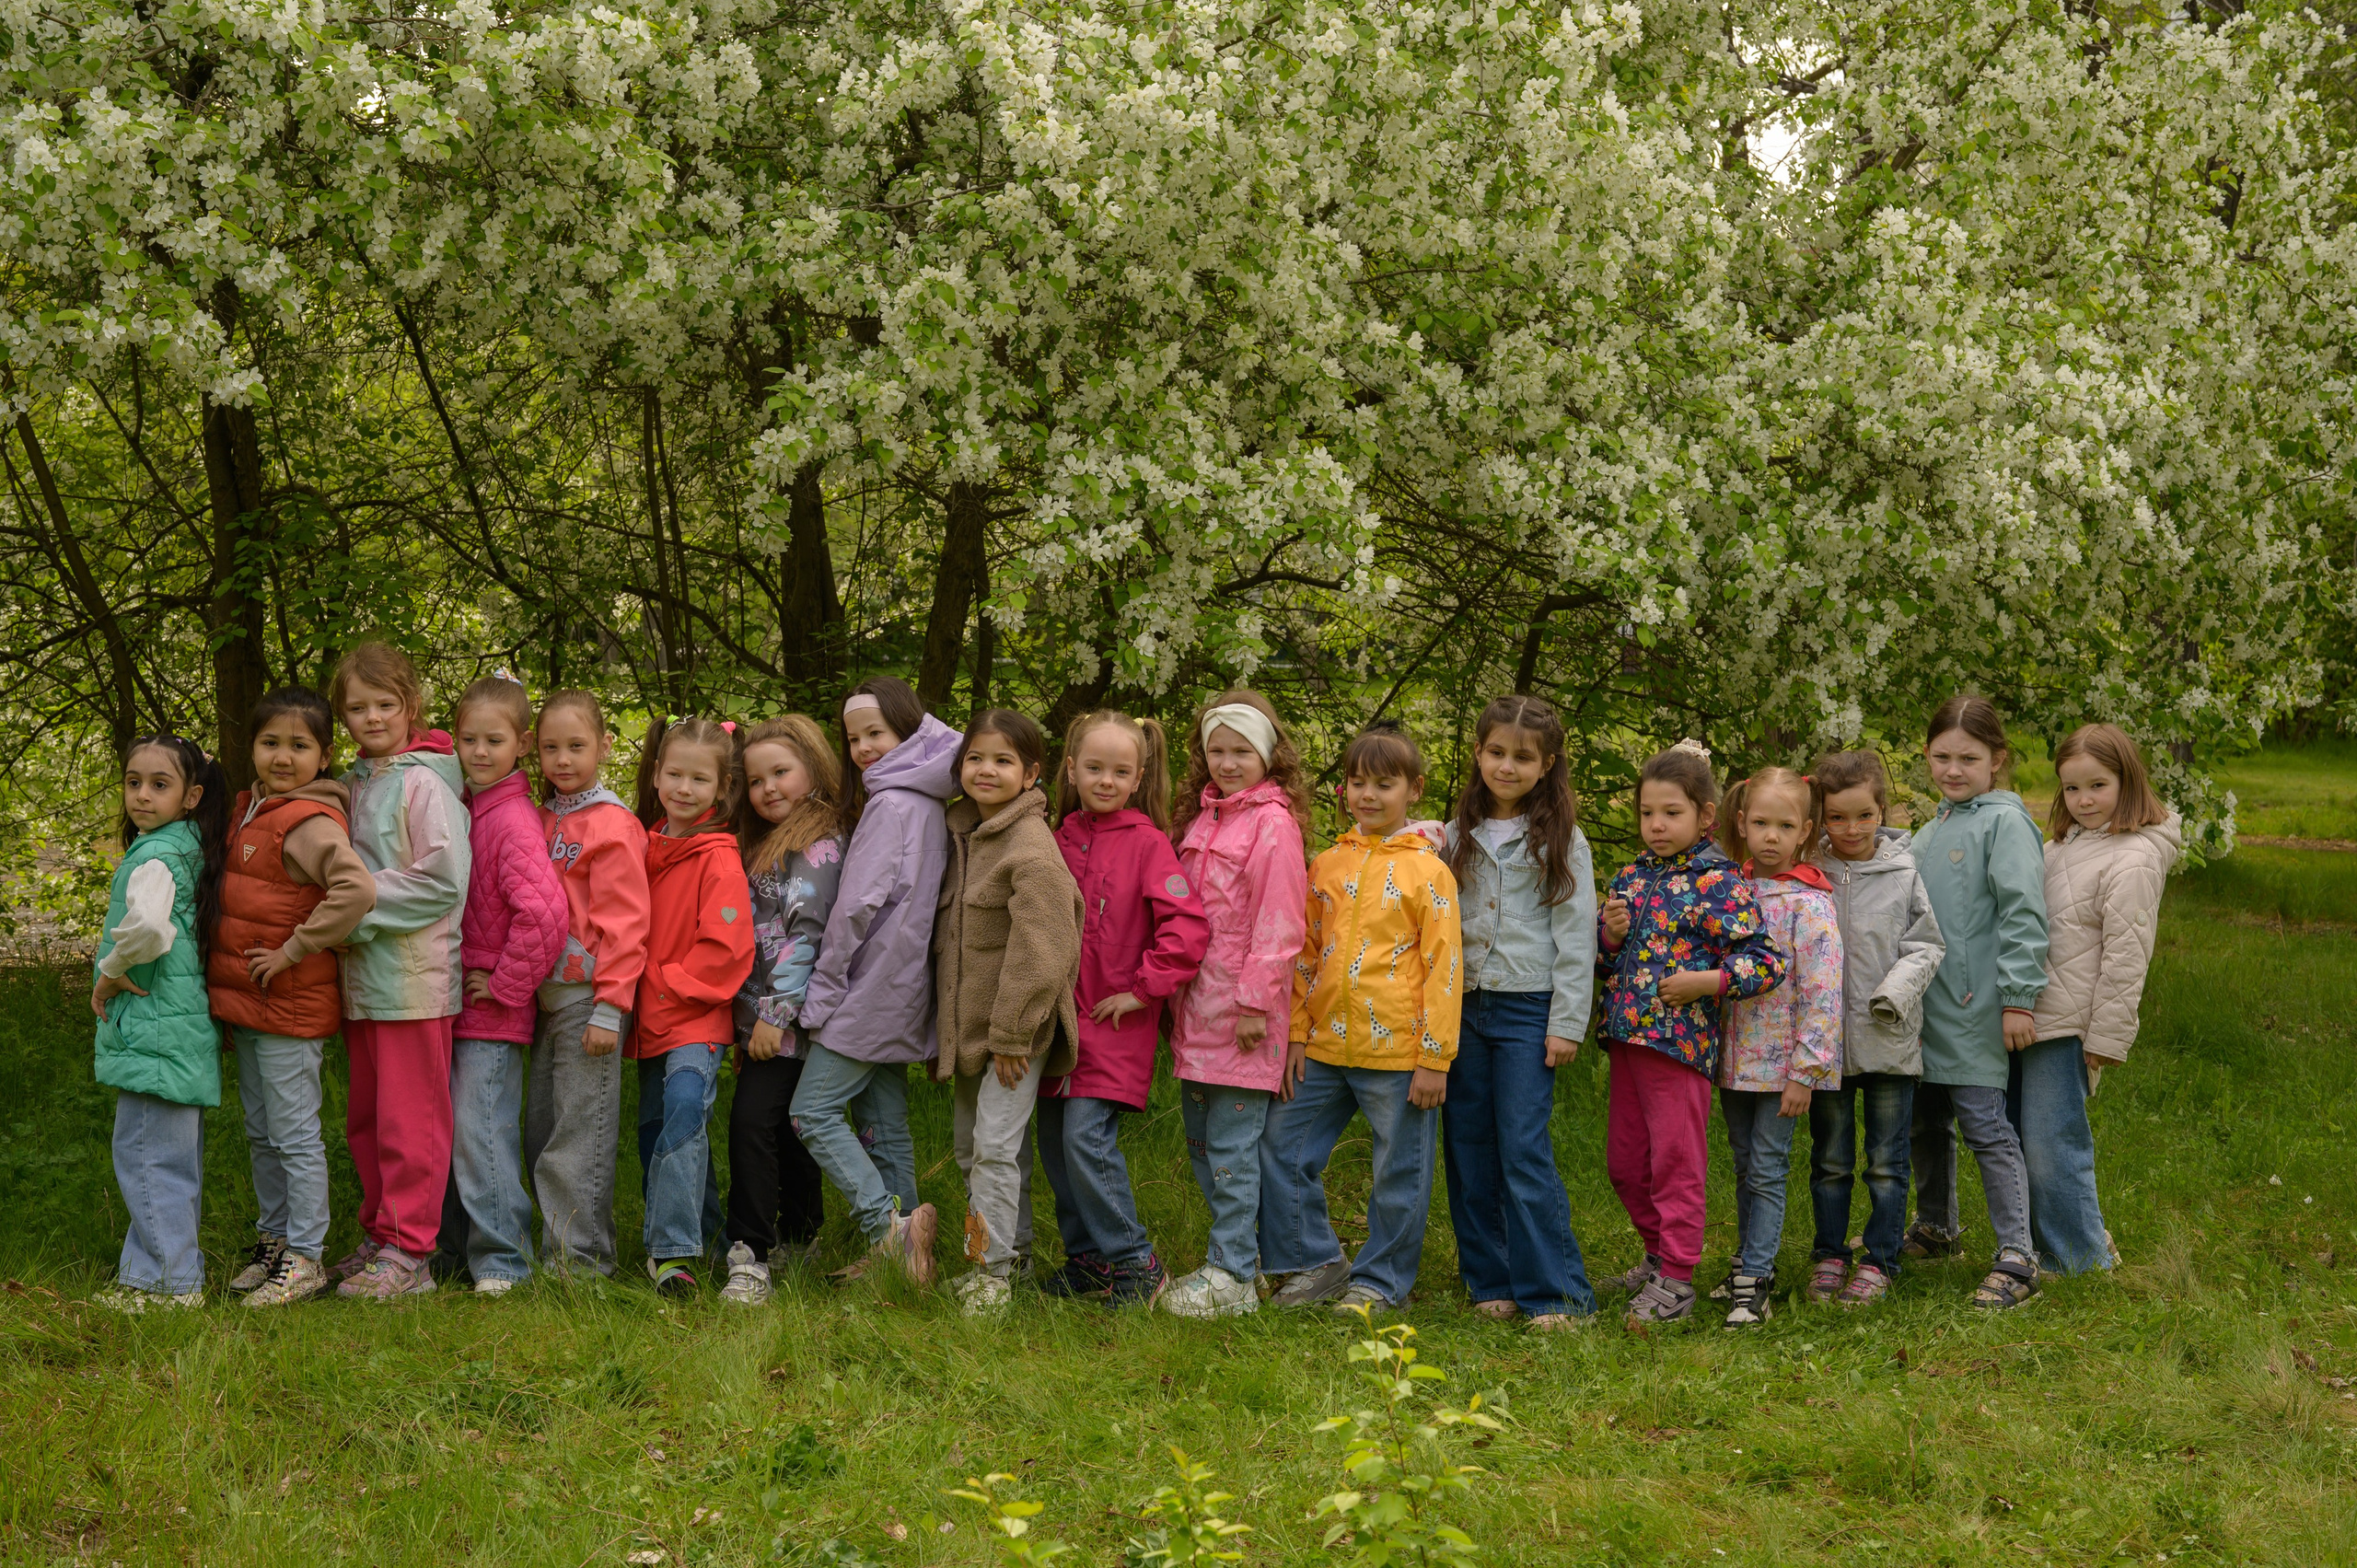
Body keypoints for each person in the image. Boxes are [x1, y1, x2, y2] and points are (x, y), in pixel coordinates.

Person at [1260, 723, 1463, 1316]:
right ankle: (1314, 1262)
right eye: (1356, 782)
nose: (1368, 795)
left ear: (1414, 789)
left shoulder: (1431, 873)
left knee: (1398, 1172)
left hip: (1400, 1057)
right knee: (1282, 1143)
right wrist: (1296, 1032)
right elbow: (1304, 953)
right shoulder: (1326, 865)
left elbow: (1444, 967)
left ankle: (1381, 1282)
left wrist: (1434, 1056)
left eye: (1384, 783)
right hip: (1323, 1046)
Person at [1594, 740, 1785, 1326]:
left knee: (1677, 1163)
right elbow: (1606, 965)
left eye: (1671, 813)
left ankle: (1677, 1278)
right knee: (1626, 1164)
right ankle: (1656, 1257)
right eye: (1648, 813)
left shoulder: (1718, 881)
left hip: (1679, 1049)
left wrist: (1707, 981)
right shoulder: (1631, 875)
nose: (1656, 825)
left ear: (1704, 816)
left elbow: (1767, 962)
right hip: (1627, 1042)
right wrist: (1608, 937)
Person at [793, 677, 961, 1287]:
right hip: (903, 985)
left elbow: (857, 906)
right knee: (885, 1118)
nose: (864, 747)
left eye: (877, 733)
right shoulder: (926, 797)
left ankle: (882, 1227)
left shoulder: (891, 805)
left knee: (811, 1111)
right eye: (855, 736)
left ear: (909, 729)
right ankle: (910, 1255)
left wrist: (825, 987)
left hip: (867, 985)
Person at [1040, 709, 1211, 1309]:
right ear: (1072, 768)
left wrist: (1144, 988)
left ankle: (1137, 1263)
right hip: (1058, 1025)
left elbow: (1186, 927)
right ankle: (1087, 1260)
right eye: (1094, 767)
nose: (1105, 780)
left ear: (1138, 777)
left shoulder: (1148, 844)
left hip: (1115, 1024)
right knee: (1055, 1141)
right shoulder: (1058, 836)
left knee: (1087, 1139)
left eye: (1120, 770)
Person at [212, 689, 376, 1309]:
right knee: (262, 1131)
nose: (283, 755)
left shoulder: (306, 819)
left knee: (294, 1134)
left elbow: (355, 889)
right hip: (252, 1007)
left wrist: (294, 948)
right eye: (270, 742)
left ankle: (306, 1257)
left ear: (325, 754)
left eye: (299, 745)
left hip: (290, 1007)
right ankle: (275, 1242)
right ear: (251, 748)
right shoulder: (253, 805)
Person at [1439, 694, 1597, 1330]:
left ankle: (1556, 1293)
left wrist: (1566, 1022)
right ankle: (1491, 1279)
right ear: (1478, 754)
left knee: (1523, 1147)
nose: (1507, 766)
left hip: (1528, 1007)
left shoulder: (1562, 839)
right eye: (1496, 752)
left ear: (1546, 763)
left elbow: (1577, 933)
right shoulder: (1453, 837)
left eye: (1522, 757)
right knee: (1468, 1143)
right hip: (1464, 1007)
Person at [331, 642, 472, 1299]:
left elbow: (442, 880)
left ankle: (412, 1251)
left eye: (385, 704)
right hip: (363, 980)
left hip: (414, 980)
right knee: (368, 1117)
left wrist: (353, 911)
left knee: (409, 1120)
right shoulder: (356, 781)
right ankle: (380, 1236)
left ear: (411, 706)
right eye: (357, 707)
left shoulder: (423, 782)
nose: (372, 717)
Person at [1162, 691, 1310, 1319]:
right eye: (1216, 749)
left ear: (1268, 755)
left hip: (1246, 1017)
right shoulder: (1205, 818)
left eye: (1241, 751)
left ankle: (1232, 1274)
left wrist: (1255, 1003)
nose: (1227, 762)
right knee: (1201, 1140)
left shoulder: (1273, 824)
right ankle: (1238, 1259)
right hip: (1197, 1008)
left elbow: (1280, 922)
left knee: (1231, 1144)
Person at [930, 710, 1084, 1316]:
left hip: (1014, 1033)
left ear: (1031, 774)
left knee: (993, 1146)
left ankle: (989, 1276)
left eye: (1002, 760)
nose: (986, 769)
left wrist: (1014, 1031)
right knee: (975, 1147)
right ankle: (1006, 1256)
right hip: (974, 1029)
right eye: (976, 758)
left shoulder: (1028, 844)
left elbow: (1045, 946)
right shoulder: (969, 834)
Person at [1904, 695, 2049, 1310]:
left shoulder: (2004, 822)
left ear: (1998, 759)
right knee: (1925, 1119)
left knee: (1985, 1124)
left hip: (1976, 1004)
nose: (1954, 769)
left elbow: (2022, 912)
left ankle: (2017, 1255)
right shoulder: (1930, 828)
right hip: (1926, 1008)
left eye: (1969, 757)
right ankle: (1937, 1225)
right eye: (1942, 756)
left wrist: (2018, 997)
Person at [2023, 723, 2179, 1274]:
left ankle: (2082, 1262)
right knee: (2025, 1140)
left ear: (2127, 781)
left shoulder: (2133, 857)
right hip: (2030, 1013)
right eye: (2071, 789)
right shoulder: (2060, 847)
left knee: (2051, 1143)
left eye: (2098, 785)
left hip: (2070, 1023)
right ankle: (2051, 1244)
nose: (2084, 800)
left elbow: (2126, 955)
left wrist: (2108, 1036)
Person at [436, 678, 567, 1295]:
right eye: (468, 738)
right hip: (456, 1001)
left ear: (522, 743)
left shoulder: (511, 818)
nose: (479, 750)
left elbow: (543, 914)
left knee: (482, 1132)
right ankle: (456, 1249)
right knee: (459, 1129)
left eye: (494, 739)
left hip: (490, 1009)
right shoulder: (468, 804)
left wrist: (509, 983)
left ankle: (503, 1260)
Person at [91, 735, 227, 1313]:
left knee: (147, 1156)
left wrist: (110, 971)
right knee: (170, 1159)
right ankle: (163, 1269)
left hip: (153, 1028)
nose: (141, 794)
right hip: (178, 1030)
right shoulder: (187, 845)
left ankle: (168, 1285)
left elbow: (147, 928)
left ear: (191, 795)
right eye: (132, 782)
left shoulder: (153, 857)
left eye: (159, 784)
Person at [1804, 749, 1944, 1307]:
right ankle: (1830, 1255)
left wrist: (1894, 996)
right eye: (1837, 818)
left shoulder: (1903, 871)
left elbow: (1926, 945)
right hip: (1826, 1046)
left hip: (1888, 1038)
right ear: (1821, 818)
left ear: (1881, 808)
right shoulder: (1810, 873)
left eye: (1863, 815)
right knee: (1831, 1158)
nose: (1851, 828)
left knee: (1887, 1162)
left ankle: (1881, 1258)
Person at [719, 715, 848, 1307]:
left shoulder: (816, 843)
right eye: (755, 779)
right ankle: (801, 1234)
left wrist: (774, 1014)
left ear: (815, 771)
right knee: (787, 1125)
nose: (768, 787)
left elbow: (806, 932)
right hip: (767, 1018)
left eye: (781, 772)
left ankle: (750, 1254)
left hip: (787, 1019)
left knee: (751, 1123)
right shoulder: (773, 840)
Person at [1712, 767, 1842, 1326]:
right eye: (1760, 822)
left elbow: (1824, 991)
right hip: (1734, 1059)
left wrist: (1805, 1071)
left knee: (1767, 1167)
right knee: (1745, 1165)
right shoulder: (1727, 891)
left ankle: (1757, 1279)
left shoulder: (1808, 904)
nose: (1770, 836)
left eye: (1784, 825)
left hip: (1785, 1067)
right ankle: (1746, 1257)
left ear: (1805, 831)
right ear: (1741, 823)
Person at [632, 716, 756, 1297]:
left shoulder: (718, 858)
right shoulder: (643, 844)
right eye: (675, 774)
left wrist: (656, 978)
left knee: (684, 1110)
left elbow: (727, 952)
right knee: (659, 1128)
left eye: (699, 779)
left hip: (694, 1018)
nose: (684, 788)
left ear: (723, 788)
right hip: (647, 1022)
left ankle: (673, 1255)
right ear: (656, 774)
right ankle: (701, 1234)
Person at [528, 690, 649, 1277]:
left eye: (577, 746)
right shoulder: (543, 816)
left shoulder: (613, 824)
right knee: (543, 1129)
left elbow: (627, 923)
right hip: (544, 1001)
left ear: (603, 745)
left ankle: (579, 1263)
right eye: (550, 747)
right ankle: (557, 1246)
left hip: (589, 1001)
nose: (563, 759)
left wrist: (611, 1006)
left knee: (579, 1132)